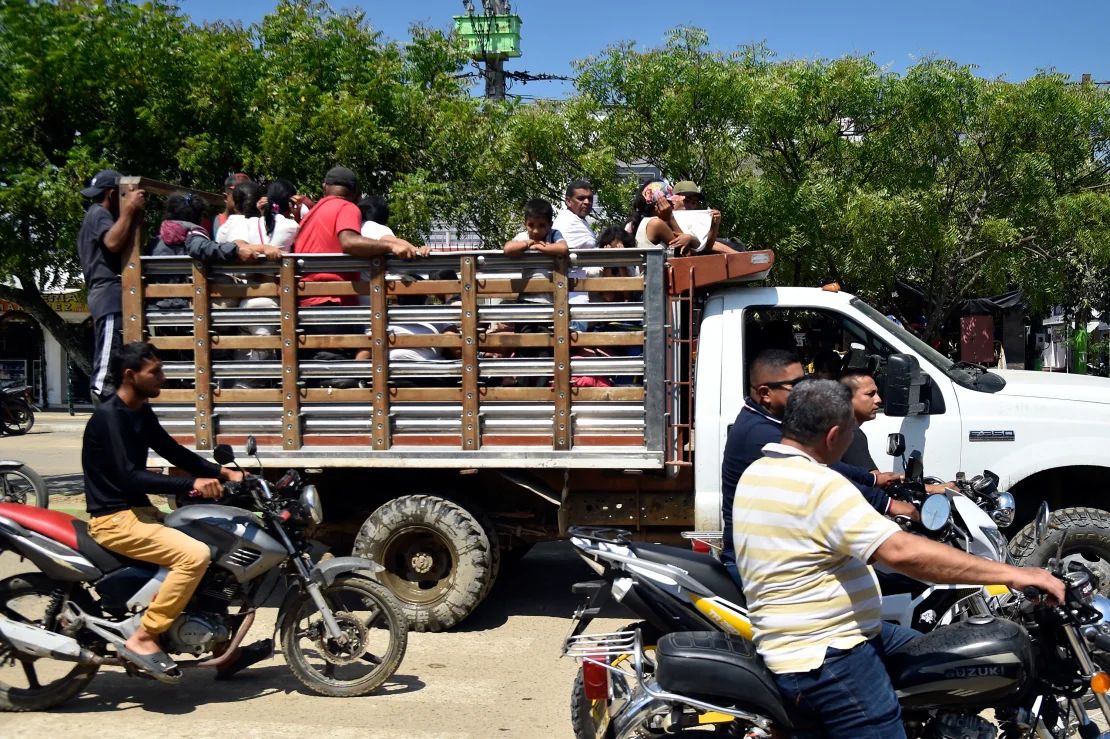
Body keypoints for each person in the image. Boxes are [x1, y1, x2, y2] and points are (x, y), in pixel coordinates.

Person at [733, 379, 1063, 738]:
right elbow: (900, 551)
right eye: (850, 433)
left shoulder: (760, 471)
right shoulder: (819, 485)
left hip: (824, 632)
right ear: (832, 437)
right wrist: (1012, 574)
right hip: (827, 654)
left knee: (950, 661)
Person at [81, 342, 257, 682]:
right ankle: (144, 637)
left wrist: (225, 473)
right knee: (193, 556)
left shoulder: (139, 411)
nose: (162, 376)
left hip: (138, 512)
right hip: (114, 520)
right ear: (131, 376)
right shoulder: (110, 417)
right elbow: (129, 475)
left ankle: (221, 654)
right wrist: (191, 485)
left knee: (213, 556)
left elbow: (172, 451)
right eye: (155, 372)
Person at [719, 349, 913, 585]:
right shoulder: (761, 434)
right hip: (760, 567)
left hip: (783, 554)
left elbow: (829, 464)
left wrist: (874, 479)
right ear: (765, 393)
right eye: (796, 385)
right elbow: (824, 472)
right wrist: (888, 504)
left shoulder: (773, 422)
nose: (806, 390)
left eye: (805, 381)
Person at [293, 166, 425, 309]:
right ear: (356, 193)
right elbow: (349, 242)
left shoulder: (310, 215)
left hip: (304, 300)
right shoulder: (347, 207)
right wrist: (391, 246)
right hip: (333, 300)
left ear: (324, 186)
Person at [77, 169, 147, 403]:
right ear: (112, 194)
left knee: (118, 360)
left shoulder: (98, 214)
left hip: (113, 296)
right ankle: (104, 413)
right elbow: (112, 242)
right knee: (105, 372)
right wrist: (129, 208)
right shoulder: (98, 213)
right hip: (108, 295)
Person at [629, 180, 700, 255]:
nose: (673, 203)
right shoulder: (656, 224)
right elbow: (687, 253)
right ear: (658, 204)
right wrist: (670, 217)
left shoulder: (650, 221)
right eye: (669, 201)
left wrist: (691, 238)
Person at [670, 180, 739, 255]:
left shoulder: (696, 221)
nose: (690, 206)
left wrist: (715, 224)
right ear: (674, 200)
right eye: (686, 201)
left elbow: (707, 246)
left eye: (694, 202)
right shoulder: (666, 216)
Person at [839, 368, 881, 470]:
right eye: (870, 394)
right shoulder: (850, 433)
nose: (878, 399)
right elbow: (875, 480)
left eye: (877, 393)